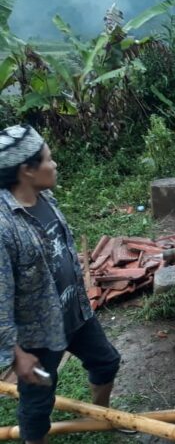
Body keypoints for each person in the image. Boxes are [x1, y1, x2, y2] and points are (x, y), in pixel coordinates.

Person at [0, 124, 122, 444]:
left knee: (106, 361)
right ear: (27, 170)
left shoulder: (45, 196)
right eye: (48, 160)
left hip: (75, 312)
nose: (55, 165)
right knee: (38, 402)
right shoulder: (3, 226)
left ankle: (99, 417)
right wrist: (17, 355)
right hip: (38, 335)